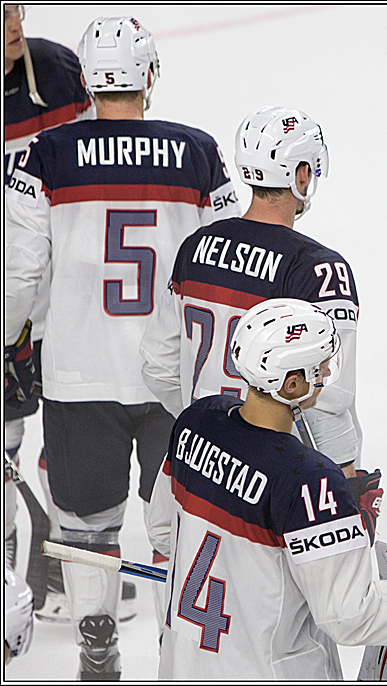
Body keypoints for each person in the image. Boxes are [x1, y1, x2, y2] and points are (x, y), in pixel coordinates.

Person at [4, 16, 238, 679]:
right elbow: (221, 262)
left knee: (85, 526)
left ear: (85, 81)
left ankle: (96, 643)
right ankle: (176, 649)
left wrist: (6, 342)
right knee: (176, 528)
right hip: (176, 379)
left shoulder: (43, 157)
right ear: (151, 77)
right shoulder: (197, 153)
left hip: (79, 374)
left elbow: (20, 275)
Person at [145, 298, 387, 678]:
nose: (324, 378)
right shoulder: (309, 479)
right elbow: (349, 616)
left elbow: (163, 531)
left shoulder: (197, 422)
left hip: (182, 668)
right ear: (290, 383)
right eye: (318, 369)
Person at [140, 105, 366, 479]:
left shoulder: (196, 246)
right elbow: (329, 397)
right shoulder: (319, 269)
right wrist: (342, 483)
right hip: (281, 480)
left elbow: (159, 365)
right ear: (303, 175)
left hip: (203, 464)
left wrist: (208, 431)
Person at [4, 1, 93, 620]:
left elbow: (94, 171)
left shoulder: (58, 69)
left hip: (56, 297)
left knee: (68, 435)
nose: (14, 23)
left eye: (17, 8)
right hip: (8, 296)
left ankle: (64, 571)